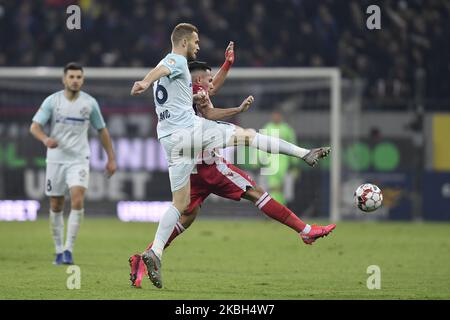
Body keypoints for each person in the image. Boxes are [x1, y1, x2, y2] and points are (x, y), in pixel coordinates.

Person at [130, 23, 330, 289]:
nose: (198, 45)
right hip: (193, 138)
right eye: (196, 41)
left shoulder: (180, 83)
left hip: (169, 140)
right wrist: (145, 80)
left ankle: (153, 253)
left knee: (179, 205)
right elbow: (167, 69)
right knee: (248, 137)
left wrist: (226, 68)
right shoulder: (176, 61)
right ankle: (304, 155)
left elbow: (204, 90)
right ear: (184, 41)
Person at [30, 62, 117, 265]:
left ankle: (69, 249)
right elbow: (34, 126)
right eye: (72, 77)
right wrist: (45, 139)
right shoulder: (53, 101)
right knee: (56, 204)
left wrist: (111, 158)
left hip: (79, 158)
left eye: (79, 77)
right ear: (64, 79)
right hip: (56, 158)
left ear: (82, 80)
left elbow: (102, 130)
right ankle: (58, 250)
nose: (75, 80)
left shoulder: (89, 103)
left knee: (77, 199)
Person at [259, 111, 300, 205]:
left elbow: (293, 145)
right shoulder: (267, 128)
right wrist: (260, 159)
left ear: (281, 116)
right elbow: (261, 144)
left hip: (283, 162)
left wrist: (294, 163)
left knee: (280, 187)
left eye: (278, 115)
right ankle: (276, 208)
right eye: (274, 115)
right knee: (273, 186)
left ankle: (278, 207)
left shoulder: (287, 129)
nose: (276, 117)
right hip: (270, 161)